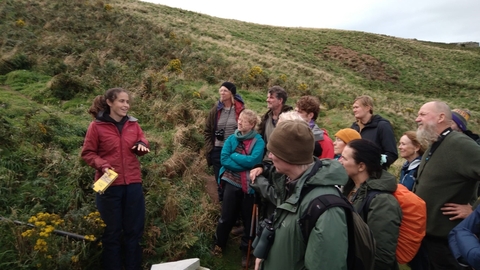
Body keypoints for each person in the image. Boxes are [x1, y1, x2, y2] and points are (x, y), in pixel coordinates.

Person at [251, 120, 349, 270]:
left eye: (273, 152)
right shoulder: (291, 185)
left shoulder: (325, 209)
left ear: (290, 157)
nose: (270, 156)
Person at [81, 88, 150, 270]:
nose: (126, 105)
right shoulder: (96, 126)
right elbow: (87, 153)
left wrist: (142, 146)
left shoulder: (133, 124)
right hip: (108, 184)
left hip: (133, 183)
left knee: (133, 232)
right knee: (111, 233)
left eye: (127, 102)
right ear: (110, 102)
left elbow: (143, 140)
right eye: (121, 101)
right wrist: (102, 164)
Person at [414, 101, 480, 269]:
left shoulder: (460, 144)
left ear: (441, 117)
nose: (417, 119)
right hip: (427, 238)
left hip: (447, 243)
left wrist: (474, 210)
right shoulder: (435, 143)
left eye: (422, 114)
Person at [212, 109, 265, 267]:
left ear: (252, 124)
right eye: (239, 119)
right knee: (226, 216)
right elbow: (224, 159)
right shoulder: (232, 138)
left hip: (250, 186)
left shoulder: (259, 141)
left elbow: (254, 161)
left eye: (244, 121)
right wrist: (243, 161)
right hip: (231, 183)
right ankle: (219, 244)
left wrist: (235, 156)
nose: (239, 122)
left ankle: (245, 250)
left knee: (249, 221)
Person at [340, 139, 402, 270]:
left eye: (344, 158)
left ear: (361, 166)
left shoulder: (382, 202)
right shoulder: (349, 188)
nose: (339, 162)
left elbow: (382, 256)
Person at [204, 82, 245, 201]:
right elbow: (207, 130)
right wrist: (210, 149)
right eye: (220, 90)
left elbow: (245, 131)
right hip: (217, 151)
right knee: (219, 180)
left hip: (233, 152)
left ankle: (231, 207)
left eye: (225, 90)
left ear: (231, 93)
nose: (222, 93)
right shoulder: (216, 110)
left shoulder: (240, 110)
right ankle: (222, 207)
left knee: (232, 181)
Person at [350, 95, 398, 168]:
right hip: (355, 174)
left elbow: (392, 154)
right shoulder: (354, 127)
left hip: (374, 175)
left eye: (356, 107)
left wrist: (375, 166)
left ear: (367, 108)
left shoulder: (382, 126)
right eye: (353, 108)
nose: (354, 110)